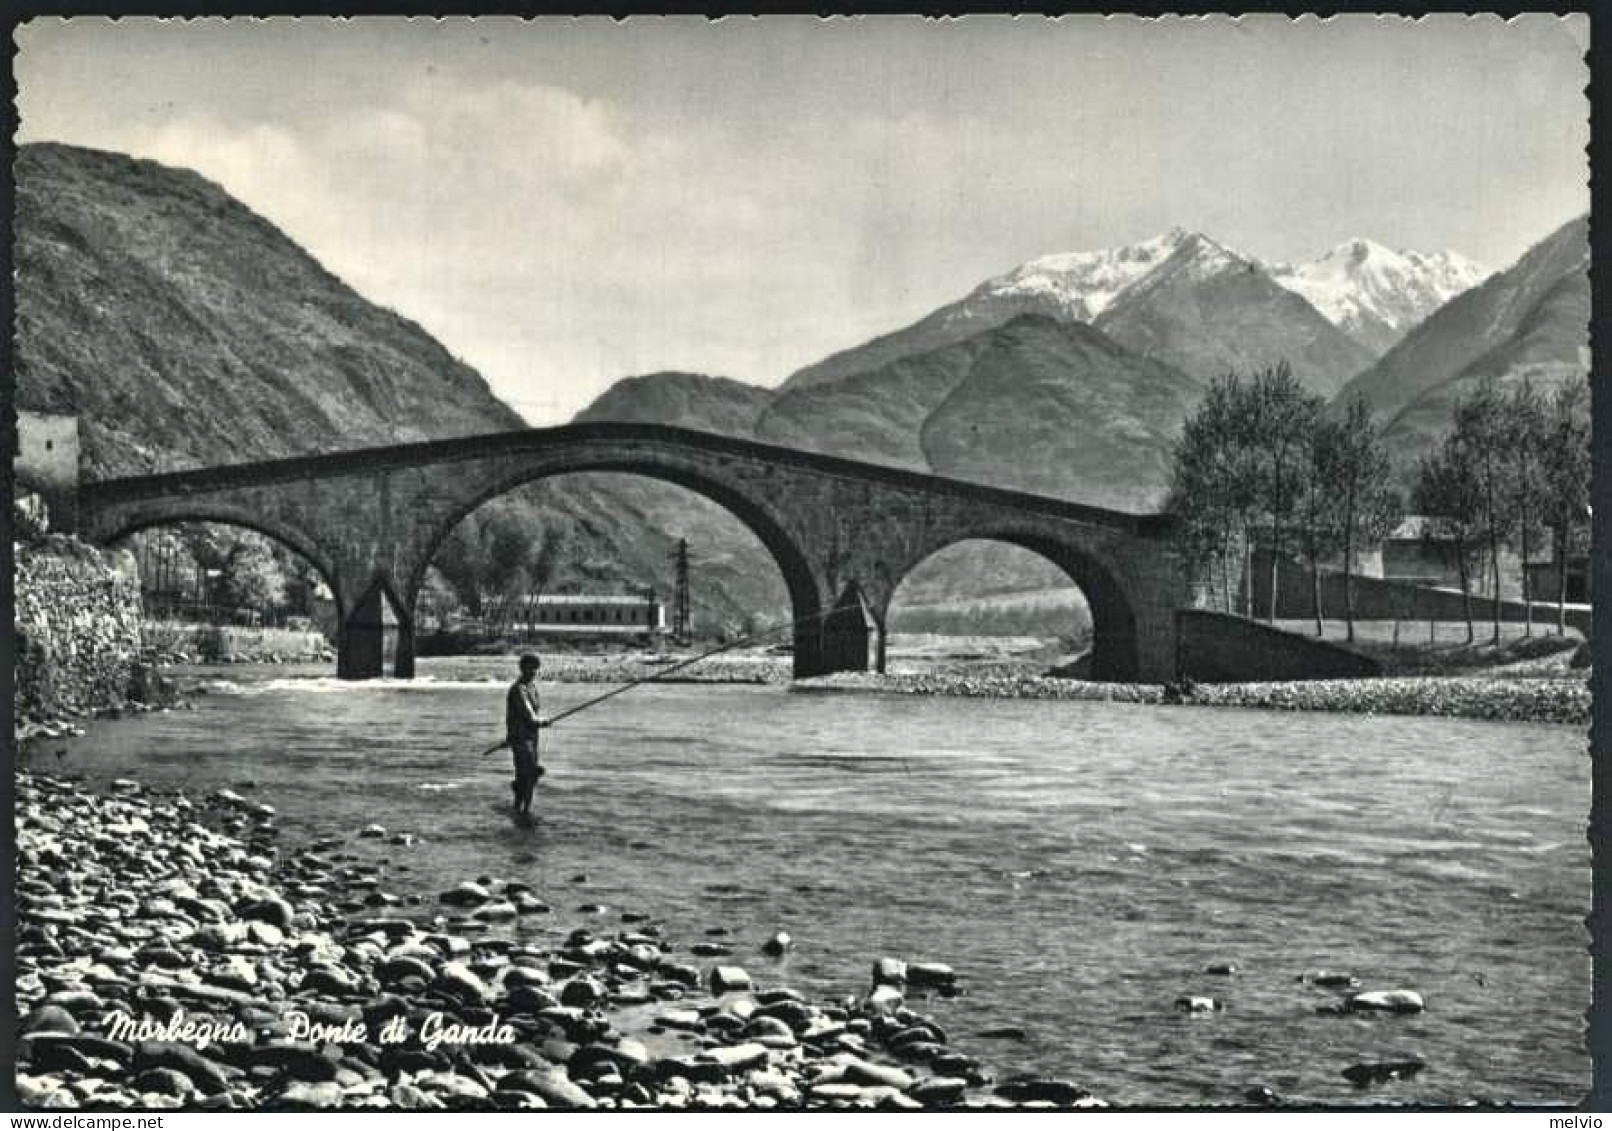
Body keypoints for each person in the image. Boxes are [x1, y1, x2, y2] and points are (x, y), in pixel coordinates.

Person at [504, 654, 550, 814]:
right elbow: (528, 713)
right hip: (519, 737)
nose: (533, 671)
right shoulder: (518, 689)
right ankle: (522, 809)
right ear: (522, 668)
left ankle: (521, 806)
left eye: (535, 668)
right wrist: (540, 721)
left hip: (532, 736)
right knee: (531, 772)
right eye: (529, 668)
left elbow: (533, 713)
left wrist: (538, 722)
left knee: (527, 775)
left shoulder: (532, 687)